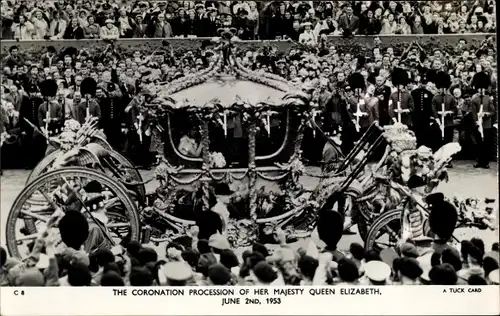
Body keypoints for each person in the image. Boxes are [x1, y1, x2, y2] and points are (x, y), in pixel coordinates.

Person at [470, 72, 496, 169]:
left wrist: (486, 114)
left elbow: (492, 111)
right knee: (479, 143)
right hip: (478, 124)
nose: (481, 90)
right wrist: (476, 121)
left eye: (482, 89)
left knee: (486, 143)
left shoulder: (488, 99)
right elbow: (473, 112)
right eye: (479, 88)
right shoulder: (474, 99)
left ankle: (485, 162)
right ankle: (479, 161)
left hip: (487, 124)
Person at [431, 71, 457, 160]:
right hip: (438, 123)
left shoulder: (451, 97)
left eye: (444, 88)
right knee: (438, 142)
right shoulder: (435, 98)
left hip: (448, 123)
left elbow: (454, 109)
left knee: (448, 142)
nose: (443, 90)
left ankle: (447, 159)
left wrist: (449, 113)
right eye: (441, 88)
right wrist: (438, 118)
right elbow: (433, 111)